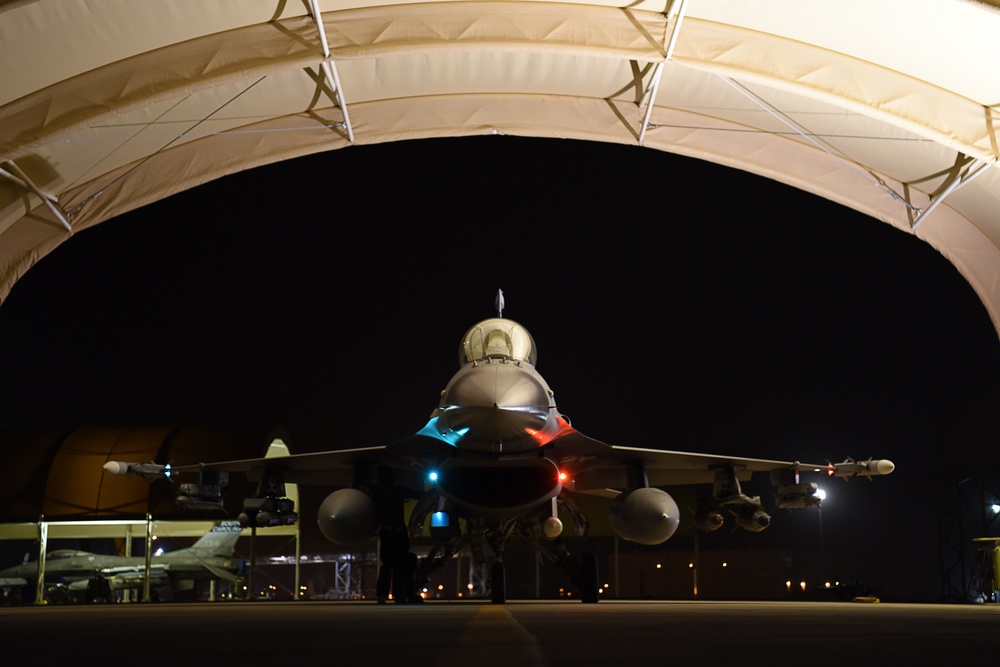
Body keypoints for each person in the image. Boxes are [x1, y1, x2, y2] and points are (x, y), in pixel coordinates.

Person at [370, 465, 423, 603]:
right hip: (395, 532)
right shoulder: (396, 490)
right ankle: (397, 595)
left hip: (391, 532)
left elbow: (417, 495)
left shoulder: (379, 491)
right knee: (395, 565)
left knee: (391, 565)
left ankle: (386, 596)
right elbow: (418, 495)